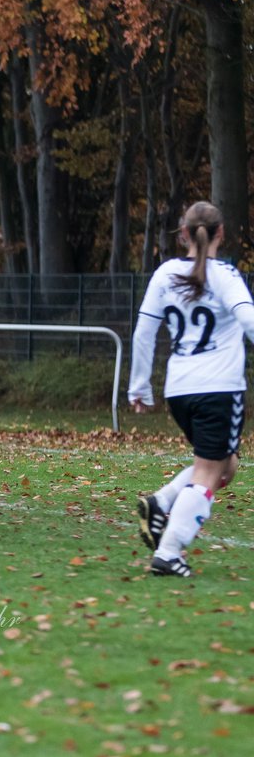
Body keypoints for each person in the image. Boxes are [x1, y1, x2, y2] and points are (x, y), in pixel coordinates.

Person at [127, 201, 254, 577]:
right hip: (219, 388)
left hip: (179, 390)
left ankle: (161, 502)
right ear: (221, 234)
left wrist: (139, 386)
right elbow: (249, 320)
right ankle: (169, 553)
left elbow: (143, 333)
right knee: (209, 474)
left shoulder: (165, 273)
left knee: (224, 465)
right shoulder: (226, 275)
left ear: (183, 234)